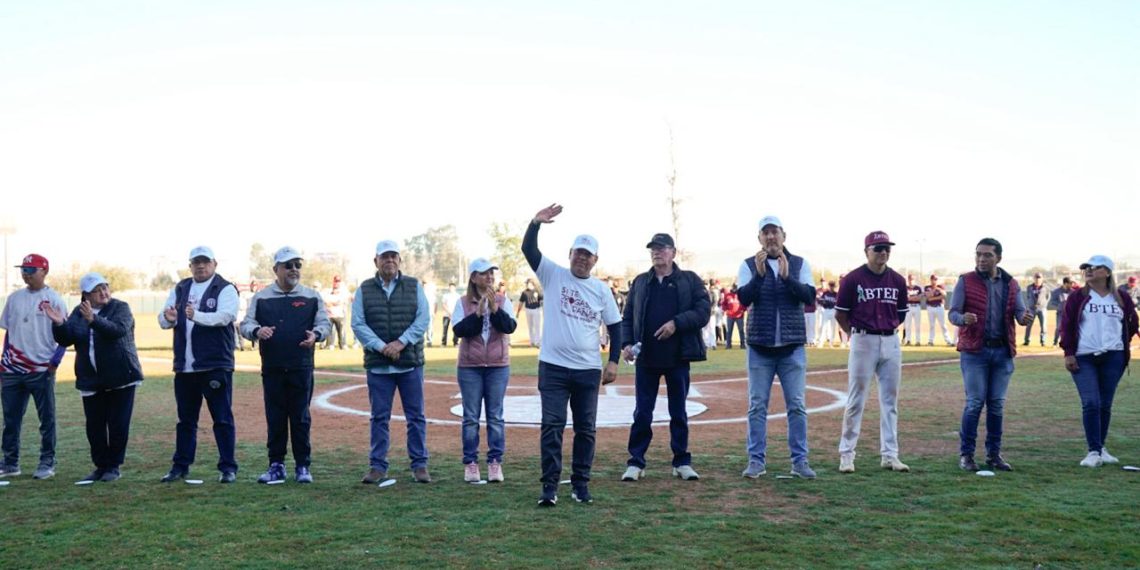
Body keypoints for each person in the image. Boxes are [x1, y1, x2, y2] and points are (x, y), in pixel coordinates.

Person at [523, 204, 621, 506]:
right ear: (570, 254)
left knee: (585, 429)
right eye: (578, 252)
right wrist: (535, 223)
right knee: (552, 426)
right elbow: (529, 249)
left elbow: (616, 328)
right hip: (553, 367)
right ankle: (549, 487)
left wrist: (613, 361)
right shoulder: (553, 275)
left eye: (587, 254)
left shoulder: (602, 290)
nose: (582, 258)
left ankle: (580, 484)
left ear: (595, 260)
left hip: (587, 370)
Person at [619, 233, 710, 483]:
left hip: (678, 357)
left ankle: (681, 461)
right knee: (643, 413)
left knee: (678, 412)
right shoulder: (640, 282)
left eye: (662, 248)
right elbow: (628, 317)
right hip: (646, 359)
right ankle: (636, 462)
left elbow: (703, 311)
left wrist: (676, 324)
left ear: (673, 252)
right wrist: (626, 344)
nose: (657, 252)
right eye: (653, 249)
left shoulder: (689, 281)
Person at [240, 247, 330, 484]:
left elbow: (325, 324)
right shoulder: (262, 297)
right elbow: (245, 324)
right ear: (275, 269)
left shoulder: (312, 296)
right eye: (288, 265)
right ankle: (276, 465)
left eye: (297, 265)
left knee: (300, 417)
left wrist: (317, 335)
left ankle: (303, 466)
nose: (293, 270)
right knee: (276, 417)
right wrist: (258, 330)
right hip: (272, 367)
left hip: (301, 366)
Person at [737, 216, 817, 479]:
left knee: (796, 405)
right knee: (757, 406)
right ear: (759, 238)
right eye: (766, 233)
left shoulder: (799, 264)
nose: (771, 237)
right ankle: (756, 461)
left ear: (784, 235)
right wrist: (760, 277)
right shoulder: (749, 265)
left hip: (791, 347)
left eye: (775, 232)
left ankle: (800, 461)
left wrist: (786, 278)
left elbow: (808, 297)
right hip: (760, 346)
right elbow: (744, 298)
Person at [46, 273, 142, 483]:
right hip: (91, 378)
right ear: (86, 296)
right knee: (95, 426)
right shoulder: (78, 313)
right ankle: (100, 466)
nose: (103, 293)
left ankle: (113, 466)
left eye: (105, 287)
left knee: (118, 424)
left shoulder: (120, 308)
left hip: (121, 376)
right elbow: (66, 339)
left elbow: (117, 330)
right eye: (97, 290)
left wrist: (94, 319)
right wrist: (59, 324)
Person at [948, 238, 1034, 472]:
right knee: (975, 403)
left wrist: (1025, 318)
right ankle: (966, 455)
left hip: (1002, 352)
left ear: (999, 258)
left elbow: (1020, 313)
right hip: (975, 351)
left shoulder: (1011, 283)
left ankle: (993, 454)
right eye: (978, 255)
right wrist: (962, 319)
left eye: (987, 255)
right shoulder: (965, 281)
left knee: (996, 405)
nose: (982, 259)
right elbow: (953, 312)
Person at [352, 240, 432, 484]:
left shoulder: (414, 286)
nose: (389, 261)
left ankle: (419, 465)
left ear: (400, 260)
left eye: (393, 256)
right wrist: (381, 347)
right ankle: (378, 466)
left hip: (409, 362)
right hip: (379, 365)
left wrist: (400, 343)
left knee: (416, 416)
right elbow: (358, 323)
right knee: (379, 417)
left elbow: (423, 319)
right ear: (375, 260)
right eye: (384, 256)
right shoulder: (364, 289)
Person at [158, 246, 241, 483]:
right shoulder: (181, 287)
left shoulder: (225, 288)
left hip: (215, 365)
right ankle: (180, 466)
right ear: (190, 265)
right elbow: (164, 319)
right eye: (196, 262)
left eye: (205, 262)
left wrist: (196, 315)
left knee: (222, 418)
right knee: (185, 420)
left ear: (214, 264)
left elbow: (226, 316)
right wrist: (169, 318)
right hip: (185, 367)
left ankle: (228, 467)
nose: (201, 266)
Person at [835, 232, 911, 474]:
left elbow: (900, 314)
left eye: (887, 248)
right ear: (866, 251)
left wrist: (884, 331)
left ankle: (890, 455)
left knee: (890, 401)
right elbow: (841, 314)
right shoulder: (852, 279)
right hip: (863, 339)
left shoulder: (897, 280)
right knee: (856, 399)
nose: (883, 253)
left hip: (890, 340)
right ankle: (847, 455)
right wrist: (856, 335)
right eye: (878, 248)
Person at [1060, 255, 1138, 467]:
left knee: (1105, 403)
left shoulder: (1121, 297)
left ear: (1107, 272)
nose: (1088, 271)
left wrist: (1120, 345)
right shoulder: (1078, 297)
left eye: (1094, 268)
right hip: (1084, 357)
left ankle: (1101, 448)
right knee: (1091, 402)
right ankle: (1093, 451)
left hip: (1114, 356)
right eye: (1086, 268)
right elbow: (1066, 326)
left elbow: (1132, 323)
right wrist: (1069, 352)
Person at [0, 254, 67, 480]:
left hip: (41, 369)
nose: (25, 274)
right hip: (12, 370)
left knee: (46, 419)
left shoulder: (54, 299)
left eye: (31, 270)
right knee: (11, 419)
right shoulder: (14, 298)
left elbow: (64, 336)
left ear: (44, 271)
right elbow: (9, 330)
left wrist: (54, 363)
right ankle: (10, 462)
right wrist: (4, 360)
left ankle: (47, 462)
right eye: (23, 269)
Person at [451, 258, 516, 483]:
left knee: (495, 416)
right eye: (484, 273)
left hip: (498, 366)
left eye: (491, 273)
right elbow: (459, 330)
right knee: (470, 417)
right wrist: (478, 313)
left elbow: (510, 327)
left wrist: (495, 309)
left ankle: (495, 462)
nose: (489, 277)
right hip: (470, 367)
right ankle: (470, 463)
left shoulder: (502, 300)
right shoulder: (462, 302)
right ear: (473, 277)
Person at [925, 274, 954, 346]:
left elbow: (944, 295)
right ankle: (930, 341)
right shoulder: (927, 287)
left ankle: (948, 341)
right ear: (930, 280)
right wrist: (934, 291)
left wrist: (937, 290)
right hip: (930, 307)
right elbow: (928, 296)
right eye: (933, 279)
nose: (934, 281)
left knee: (943, 325)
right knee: (932, 325)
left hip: (939, 307)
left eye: (935, 279)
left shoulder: (941, 287)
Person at [322, 276, 349, 350]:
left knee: (341, 332)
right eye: (336, 281)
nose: (337, 283)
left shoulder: (343, 291)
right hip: (329, 315)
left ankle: (343, 345)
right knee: (330, 331)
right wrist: (332, 302)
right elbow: (325, 301)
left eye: (338, 281)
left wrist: (332, 302)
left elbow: (341, 301)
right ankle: (330, 345)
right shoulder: (328, 291)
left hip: (340, 315)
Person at [1047, 277, 1076, 346]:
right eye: (1070, 283)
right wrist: (1060, 305)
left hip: (1070, 314)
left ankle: (1069, 342)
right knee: (1059, 327)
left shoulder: (1073, 292)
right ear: (1065, 283)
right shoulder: (1056, 292)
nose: (1072, 285)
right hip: (1060, 313)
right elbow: (1052, 302)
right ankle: (1055, 342)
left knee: (1071, 328)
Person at [516, 279, 544, 348]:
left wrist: (544, 310)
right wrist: (518, 312)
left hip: (537, 309)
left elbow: (542, 301)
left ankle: (538, 342)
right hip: (528, 310)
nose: (527, 285)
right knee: (530, 326)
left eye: (528, 283)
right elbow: (521, 303)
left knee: (537, 326)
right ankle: (532, 342)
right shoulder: (524, 292)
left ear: (532, 283)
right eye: (527, 283)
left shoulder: (537, 291)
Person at [1023, 272, 1048, 347]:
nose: (1037, 279)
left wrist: (1043, 304)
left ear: (1042, 278)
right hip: (1032, 309)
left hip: (1042, 309)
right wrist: (1030, 304)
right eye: (1036, 277)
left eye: (1039, 277)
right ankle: (1026, 341)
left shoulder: (1045, 287)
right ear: (1034, 278)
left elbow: (1048, 297)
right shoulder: (1029, 287)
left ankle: (1043, 341)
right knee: (1028, 325)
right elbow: (1028, 296)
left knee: (1043, 326)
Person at [721, 283, 745, 349]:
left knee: (741, 330)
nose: (734, 289)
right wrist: (725, 310)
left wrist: (743, 310)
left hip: (739, 315)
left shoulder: (740, 295)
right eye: (734, 287)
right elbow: (723, 304)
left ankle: (742, 344)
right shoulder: (727, 295)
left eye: (736, 288)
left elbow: (745, 303)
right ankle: (728, 345)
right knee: (729, 331)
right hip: (730, 316)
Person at [817, 281, 839, 348]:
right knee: (824, 326)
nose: (831, 287)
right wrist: (822, 302)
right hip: (826, 310)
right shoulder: (825, 293)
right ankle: (821, 342)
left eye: (832, 286)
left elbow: (838, 303)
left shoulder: (836, 294)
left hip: (833, 310)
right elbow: (820, 301)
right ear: (829, 286)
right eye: (830, 285)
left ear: (834, 286)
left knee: (833, 327)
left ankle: (831, 343)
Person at [439, 283, 461, 347]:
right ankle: (443, 343)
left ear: (455, 288)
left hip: (455, 316)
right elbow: (444, 305)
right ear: (449, 288)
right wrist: (449, 312)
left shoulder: (458, 296)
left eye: (452, 287)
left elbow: (459, 306)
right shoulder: (446, 295)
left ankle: (456, 342)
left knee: (456, 329)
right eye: (450, 287)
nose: (451, 289)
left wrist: (454, 313)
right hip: (446, 315)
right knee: (445, 329)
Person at [904, 274, 923, 346]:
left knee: (917, 325)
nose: (911, 280)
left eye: (912, 279)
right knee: (908, 325)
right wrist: (915, 297)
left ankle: (918, 341)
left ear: (914, 280)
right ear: (908, 280)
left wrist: (911, 298)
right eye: (910, 279)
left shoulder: (918, 288)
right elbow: (906, 298)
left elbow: (920, 298)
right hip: (908, 307)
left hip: (917, 306)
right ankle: (908, 340)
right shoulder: (905, 288)